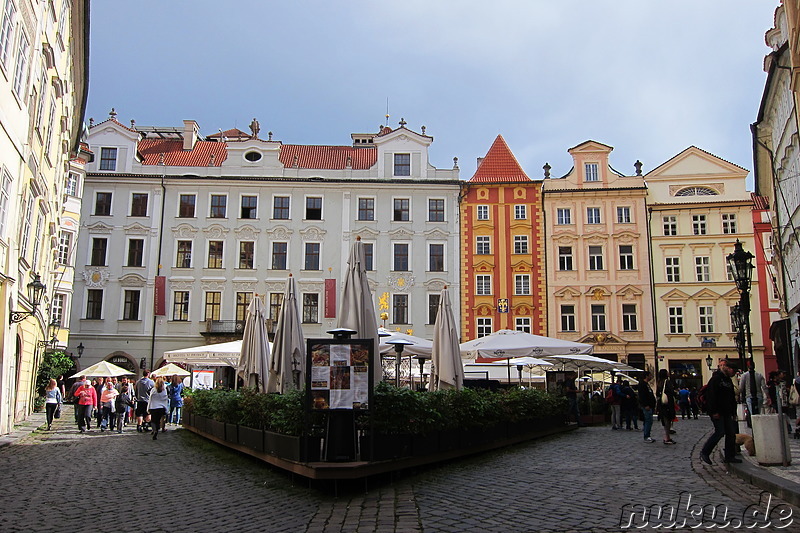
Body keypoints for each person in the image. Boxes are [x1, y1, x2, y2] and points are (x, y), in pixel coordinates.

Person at [700, 359, 740, 464]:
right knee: (720, 432)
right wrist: (714, 411)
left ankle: (730, 456)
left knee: (731, 433)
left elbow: (732, 398)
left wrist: (734, 413)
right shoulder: (716, 379)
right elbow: (711, 396)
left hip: (727, 411)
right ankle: (705, 452)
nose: (734, 373)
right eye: (733, 371)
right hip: (717, 411)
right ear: (727, 368)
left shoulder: (728, 380)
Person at [739, 363, 767, 427]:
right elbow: (764, 387)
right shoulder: (759, 375)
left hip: (749, 396)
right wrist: (767, 396)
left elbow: (741, 387)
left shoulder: (744, 375)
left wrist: (739, 395)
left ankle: (755, 427)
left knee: (752, 414)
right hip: (759, 396)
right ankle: (758, 427)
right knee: (758, 412)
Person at [655, 369, 677, 445]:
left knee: (665, 420)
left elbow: (658, 394)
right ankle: (667, 438)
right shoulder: (667, 382)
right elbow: (671, 392)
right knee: (668, 420)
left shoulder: (659, 383)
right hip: (668, 403)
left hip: (662, 404)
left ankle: (667, 437)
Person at [637, 372, 656, 443]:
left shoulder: (646, 384)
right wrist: (645, 405)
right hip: (646, 406)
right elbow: (642, 396)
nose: (651, 376)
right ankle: (646, 436)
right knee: (648, 421)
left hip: (650, 405)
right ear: (646, 376)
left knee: (648, 421)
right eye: (650, 375)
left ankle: (648, 435)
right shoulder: (642, 385)